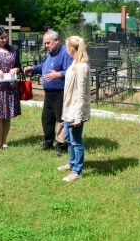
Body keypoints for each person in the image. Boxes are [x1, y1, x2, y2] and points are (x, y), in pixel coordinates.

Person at [24, 30, 72, 154]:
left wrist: (59, 74)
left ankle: (62, 146)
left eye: (48, 43)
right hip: (49, 93)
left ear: (56, 40)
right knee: (47, 118)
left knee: (61, 120)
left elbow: (72, 71)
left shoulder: (65, 53)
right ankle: (48, 142)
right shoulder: (50, 53)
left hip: (61, 92)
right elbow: (43, 66)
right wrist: (33, 69)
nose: (46, 46)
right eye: (44, 44)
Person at [58, 36, 91, 182]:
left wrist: (78, 116)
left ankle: (77, 170)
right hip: (68, 108)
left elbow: (82, 93)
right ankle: (71, 162)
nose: (66, 49)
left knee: (76, 141)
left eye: (67, 46)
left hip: (75, 111)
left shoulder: (82, 66)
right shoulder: (74, 62)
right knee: (69, 139)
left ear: (72, 48)